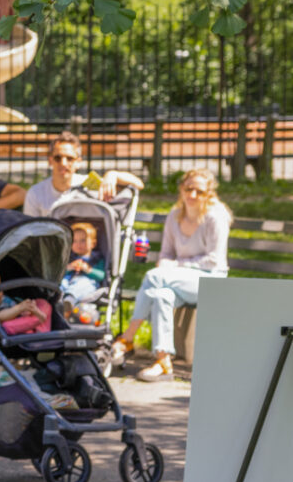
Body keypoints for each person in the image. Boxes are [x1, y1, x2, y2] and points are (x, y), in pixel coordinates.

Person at [115, 168, 231, 381]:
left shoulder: (216, 216)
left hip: (211, 279)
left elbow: (215, 260)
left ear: (209, 193)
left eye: (199, 191)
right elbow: (166, 253)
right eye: (189, 189)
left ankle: (127, 338)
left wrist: (175, 265)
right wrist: (168, 264)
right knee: (161, 295)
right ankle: (163, 360)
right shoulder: (174, 216)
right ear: (182, 189)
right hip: (180, 280)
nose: (193, 195)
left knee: (154, 276)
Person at [22, 132, 143, 218]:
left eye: (70, 158)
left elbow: (138, 184)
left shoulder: (88, 183)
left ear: (78, 162)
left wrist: (113, 175)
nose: (63, 163)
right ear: (50, 160)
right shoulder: (35, 193)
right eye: (58, 158)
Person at [0, 269, 53, 335]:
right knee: (6, 326)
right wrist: (19, 308)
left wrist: (29, 308)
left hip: (28, 319)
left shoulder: (5, 299)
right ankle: (37, 324)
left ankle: (38, 325)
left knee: (42, 302)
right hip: (16, 327)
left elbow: (20, 305)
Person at [61, 221, 108, 310]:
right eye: (74, 241)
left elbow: (101, 276)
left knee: (82, 283)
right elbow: (59, 273)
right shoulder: (69, 257)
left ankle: (69, 300)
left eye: (83, 240)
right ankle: (58, 298)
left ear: (93, 244)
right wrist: (69, 267)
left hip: (87, 283)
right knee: (61, 282)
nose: (78, 244)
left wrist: (88, 269)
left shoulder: (97, 258)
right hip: (68, 281)